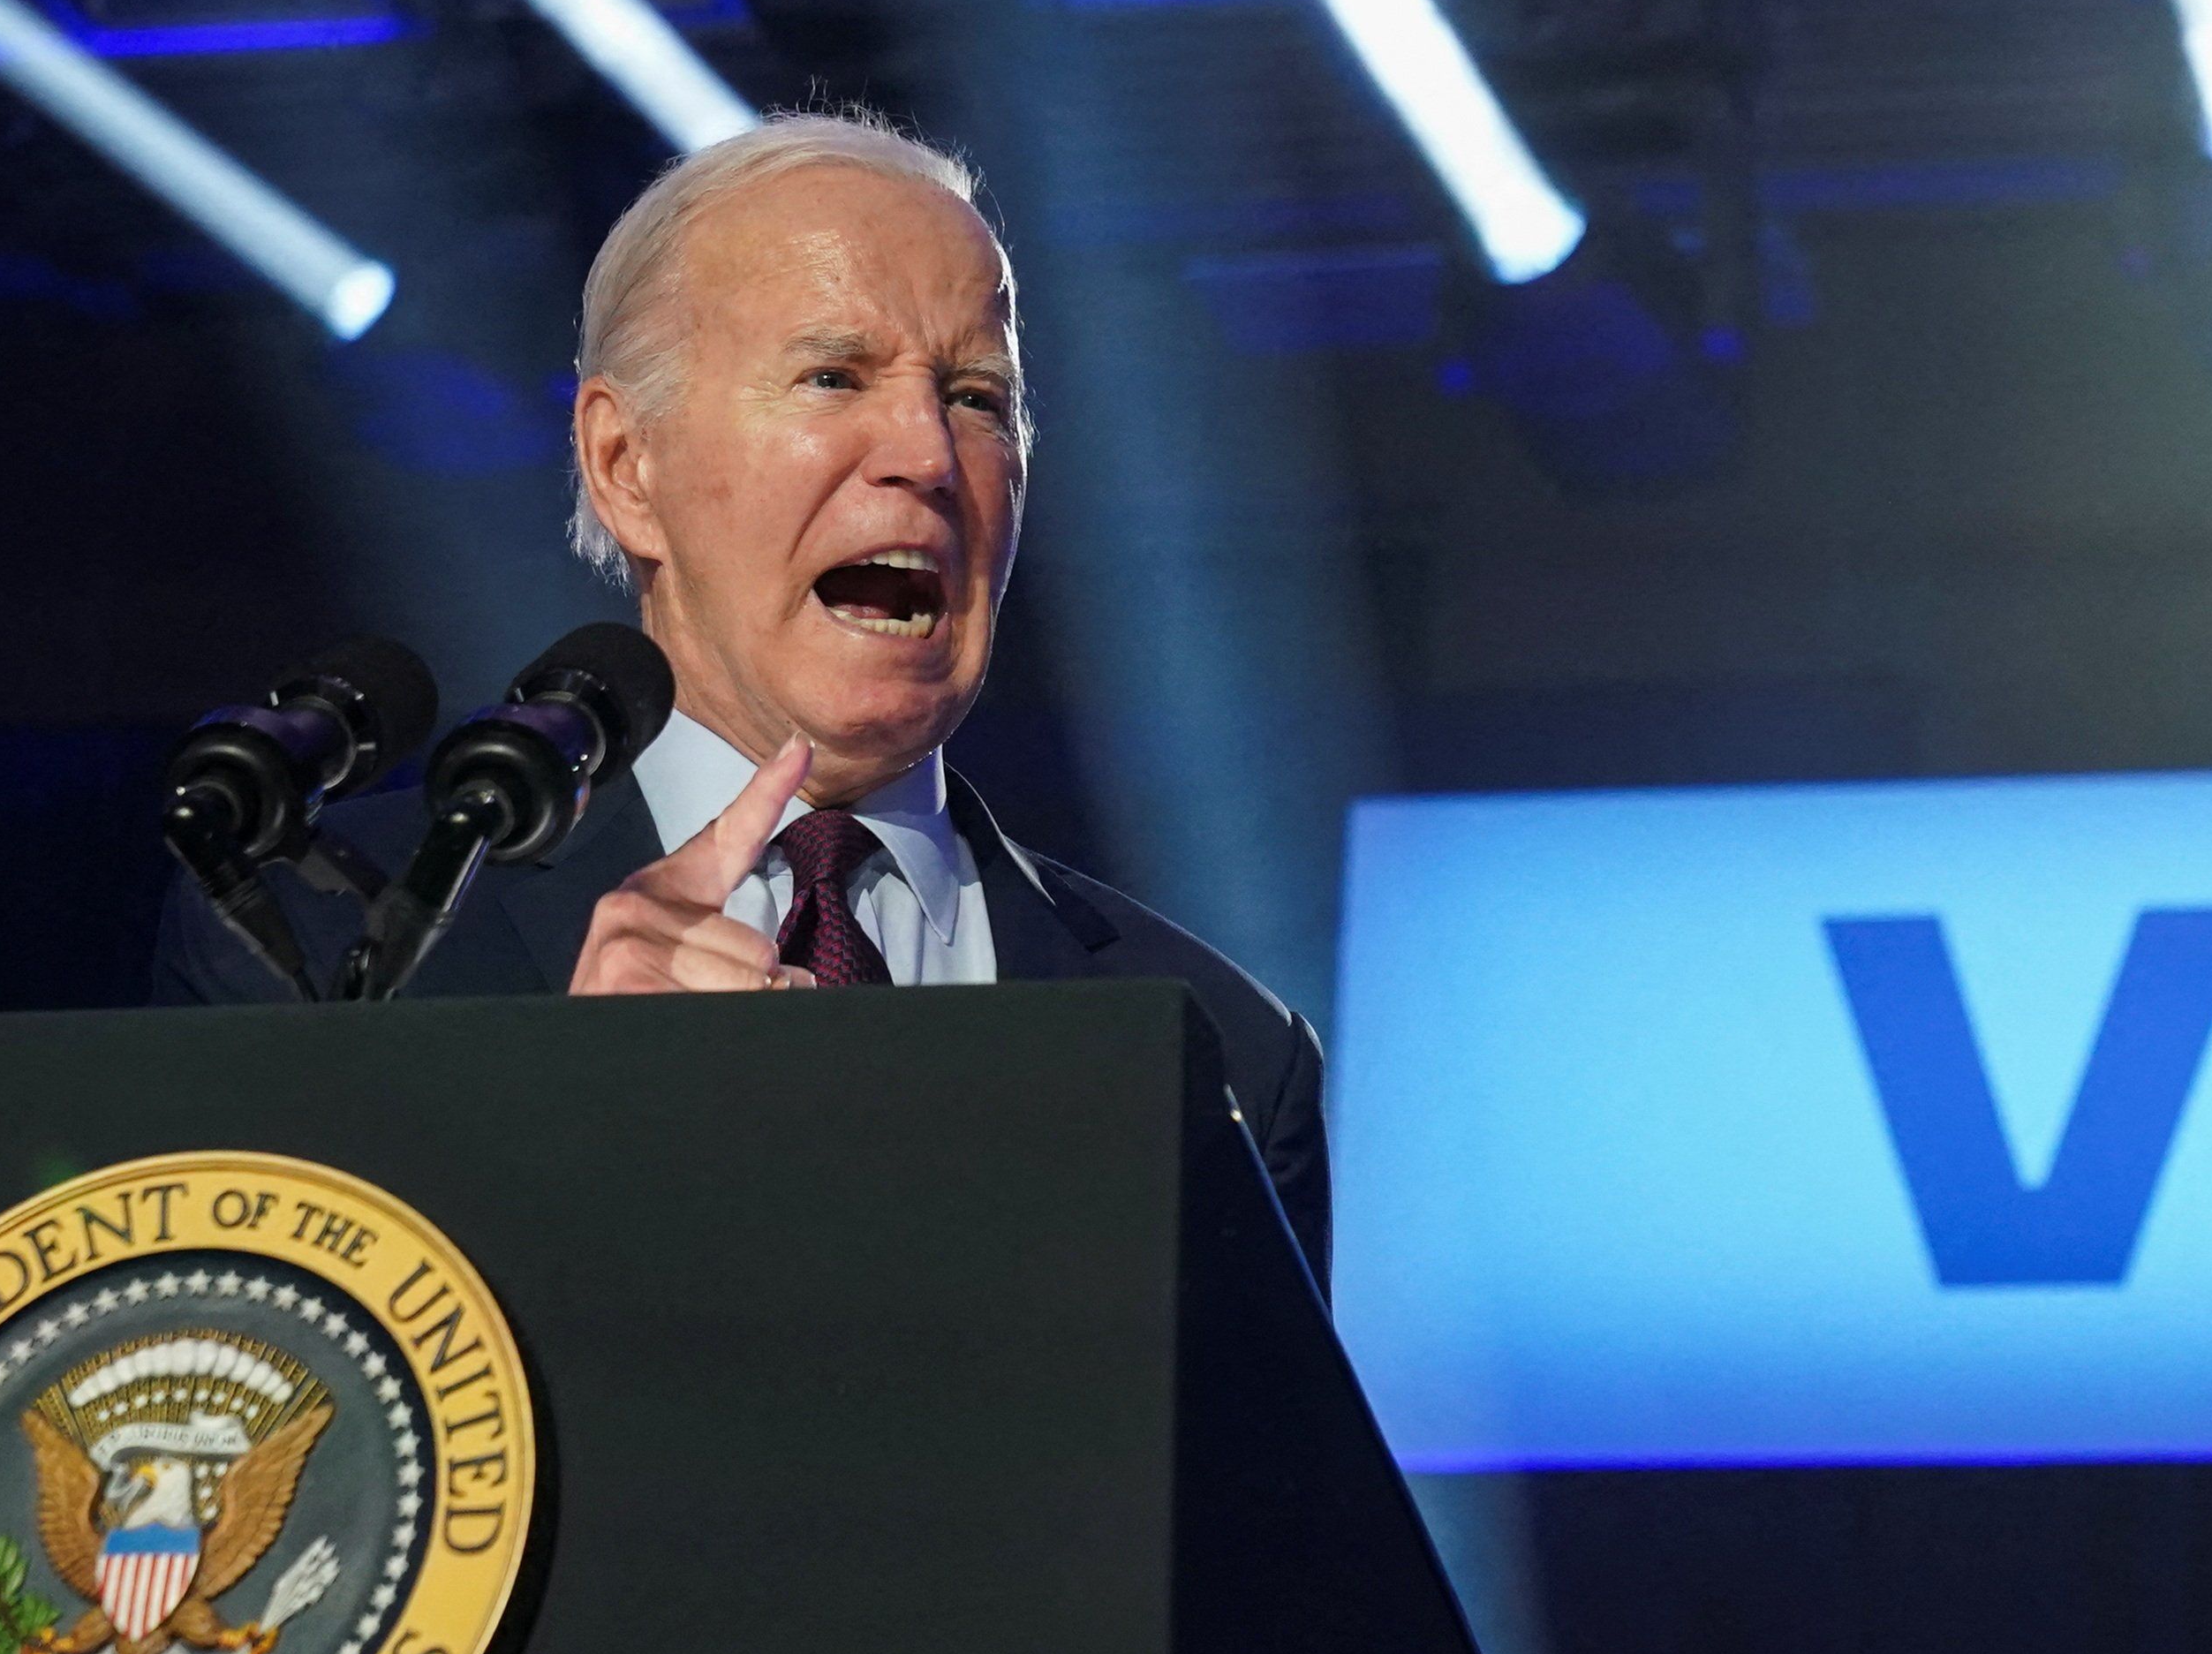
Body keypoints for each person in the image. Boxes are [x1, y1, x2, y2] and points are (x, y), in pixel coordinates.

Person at [149, 111, 1331, 1280]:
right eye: (834, 376)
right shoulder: (327, 936)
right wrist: (560, 1130)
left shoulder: (1221, 1047)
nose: (926, 453)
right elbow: (268, 1421)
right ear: (627, 468)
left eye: (976, 396)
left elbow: (1261, 1474)